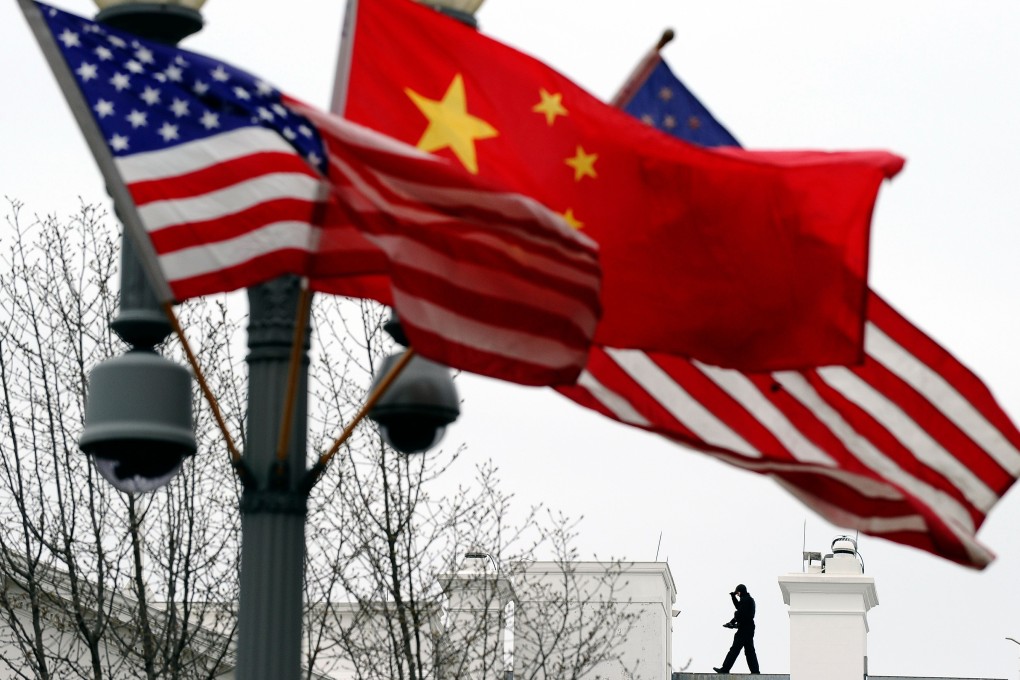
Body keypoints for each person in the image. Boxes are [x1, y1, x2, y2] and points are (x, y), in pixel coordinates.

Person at [714, 583, 759, 674]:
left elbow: (739, 612)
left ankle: (725, 669)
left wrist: (732, 622)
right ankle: (755, 671)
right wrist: (733, 597)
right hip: (749, 628)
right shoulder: (748, 599)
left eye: (737, 593)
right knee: (749, 651)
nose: (737, 595)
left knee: (734, 650)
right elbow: (740, 608)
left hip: (744, 629)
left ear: (740, 592)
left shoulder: (745, 600)